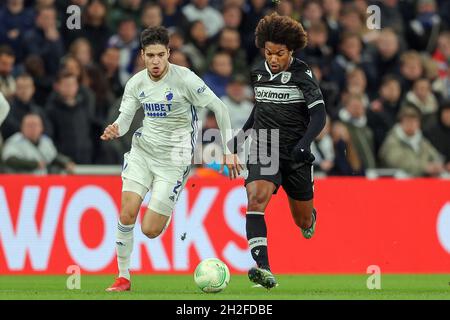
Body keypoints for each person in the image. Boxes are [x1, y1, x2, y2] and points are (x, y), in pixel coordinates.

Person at [100, 26, 241, 292]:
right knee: (127, 212)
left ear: (169, 53)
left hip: (174, 161)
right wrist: (115, 128)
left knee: (150, 230)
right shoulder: (136, 83)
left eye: (160, 55)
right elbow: (125, 120)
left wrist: (229, 150)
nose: (155, 61)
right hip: (142, 152)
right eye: (150, 55)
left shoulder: (185, 79)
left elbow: (219, 107)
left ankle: (165, 206)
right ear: (142, 55)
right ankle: (123, 277)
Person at [228, 13, 326, 289]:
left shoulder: (303, 74)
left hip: (296, 151)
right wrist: (241, 137)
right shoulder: (259, 72)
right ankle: (264, 269)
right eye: (269, 52)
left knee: (302, 221)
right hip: (265, 145)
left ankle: (310, 218)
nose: (273, 59)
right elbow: (259, 109)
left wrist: (305, 144)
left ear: (291, 50)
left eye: (279, 53)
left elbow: (319, 116)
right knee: (256, 199)